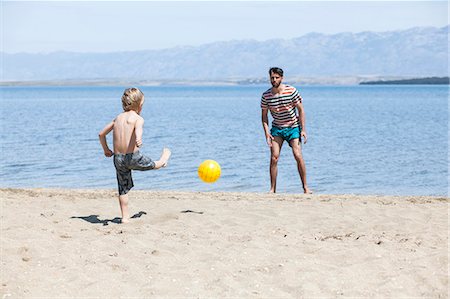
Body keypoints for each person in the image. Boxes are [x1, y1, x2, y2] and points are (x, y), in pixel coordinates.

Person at [99, 87, 171, 223]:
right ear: (139, 105)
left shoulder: (117, 118)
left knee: (122, 189)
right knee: (154, 165)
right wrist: (138, 138)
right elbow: (138, 130)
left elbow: (101, 134)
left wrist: (106, 150)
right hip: (133, 157)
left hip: (118, 159)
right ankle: (164, 159)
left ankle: (125, 217)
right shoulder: (138, 118)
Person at [261, 67, 311, 194]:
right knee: (274, 158)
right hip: (277, 129)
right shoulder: (266, 95)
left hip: (293, 127)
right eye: (272, 77)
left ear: (281, 78)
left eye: (277, 77)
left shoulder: (291, 91)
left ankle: (305, 188)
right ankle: (272, 189)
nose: (274, 80)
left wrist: (303, 129)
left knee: (298, 155)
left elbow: (301, 110)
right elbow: (264, 116)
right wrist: (266, 133)